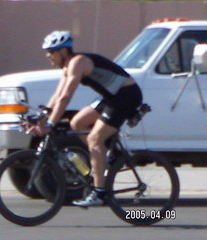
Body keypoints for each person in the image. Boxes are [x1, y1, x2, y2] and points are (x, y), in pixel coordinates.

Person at [29, 31, 143, 207]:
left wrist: (51, 124)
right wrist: (42, 119)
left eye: (51, 52)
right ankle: (108, 157)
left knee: (94, 139)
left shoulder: (77, 63)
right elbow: (57, 96)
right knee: (77, 123)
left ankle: (99, 193)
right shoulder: (67, 67)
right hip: (112, 96)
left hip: (126, 96)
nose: (48, 56)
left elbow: (66, 97)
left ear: (64, 52)